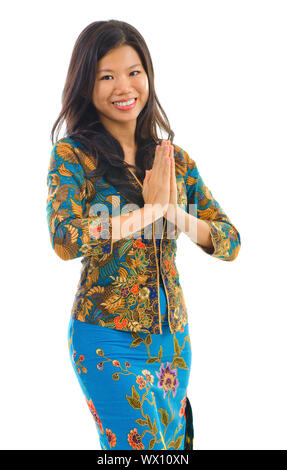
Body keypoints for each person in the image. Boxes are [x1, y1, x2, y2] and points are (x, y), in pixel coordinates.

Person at [46, 19, 241, 451]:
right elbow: (64, 237)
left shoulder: (174, 159)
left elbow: (230, 240)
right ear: (85, 86)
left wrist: (174, 213)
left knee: (172, 449)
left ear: (148, 76)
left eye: (134, 72)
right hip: (106, 337)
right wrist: (145, 213)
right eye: (107, 76)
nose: (124, 87)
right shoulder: (73, 156)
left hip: (173, 341)